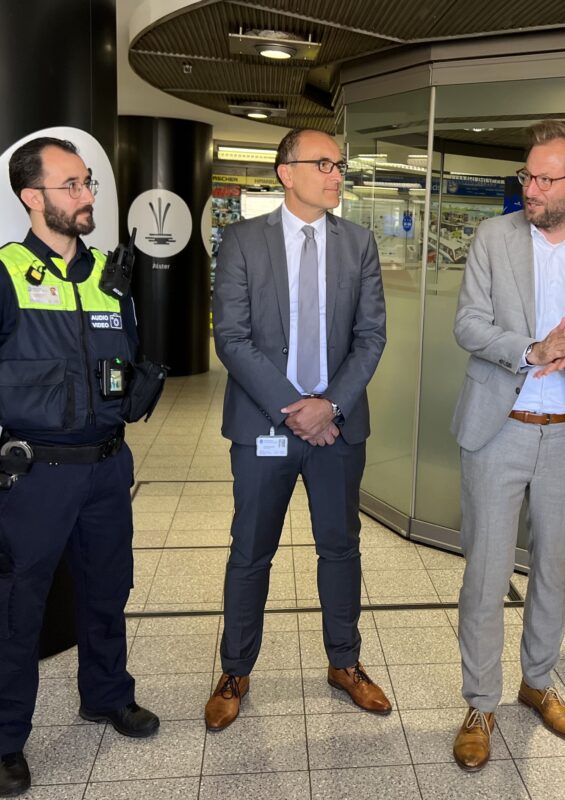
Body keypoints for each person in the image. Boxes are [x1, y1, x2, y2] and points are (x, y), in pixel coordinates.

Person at [0, 137, 158, 797]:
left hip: (106, 471)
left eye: (87, 183)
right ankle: (4, 740)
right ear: (32, 197)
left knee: (106, 591)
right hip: (32, 477)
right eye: (70, 185)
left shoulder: (109, 278)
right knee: (13, 607)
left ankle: (107, 695)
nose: (87, 196)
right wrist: (1, 437)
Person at [450, 120, 565, 771]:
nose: (530, 187)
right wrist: (530, 351)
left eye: (544, 178)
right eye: (528, 175)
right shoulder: (493, 238)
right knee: (486, 575)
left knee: (552, 571)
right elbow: (468, 324)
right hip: (497, 430)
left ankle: (537, 683)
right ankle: (480, 703)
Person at [205, 128, 389, 731]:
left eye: (340, 165)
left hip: (336, 429)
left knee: (340, 547)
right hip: (265, 423)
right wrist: (296, 407)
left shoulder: (358, 244)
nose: (337, 174)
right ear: (287, 172)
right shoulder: (242, 241)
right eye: (324, 163)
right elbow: (230, 338)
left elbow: (370, 338)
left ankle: (346, 663)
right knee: (250, 551)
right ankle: (235, 669)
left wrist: (329, 405)